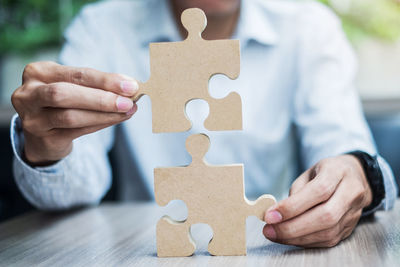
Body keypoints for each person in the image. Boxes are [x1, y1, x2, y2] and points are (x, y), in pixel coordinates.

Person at [10, 0, 397, 248]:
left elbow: (343, 142)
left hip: (269, 248)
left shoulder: (312, 26)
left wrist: (357, 172)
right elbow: (73, 191)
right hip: (144, 252)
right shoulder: (99, 27)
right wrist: (47, 147)